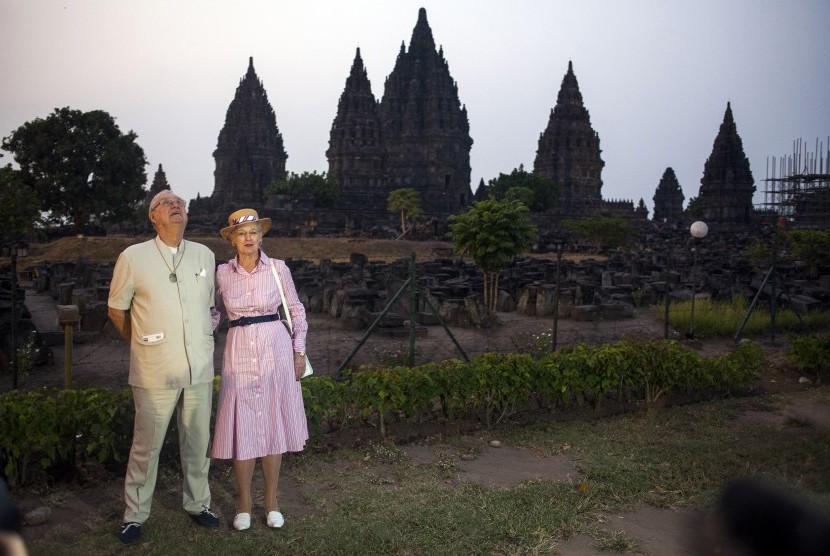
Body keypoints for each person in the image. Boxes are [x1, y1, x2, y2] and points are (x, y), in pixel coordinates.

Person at [107, 190, 220, 544]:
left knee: (198, 441)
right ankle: (135, 514)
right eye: (167, 203)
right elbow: (116, 309)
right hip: (155, 368)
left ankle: (198, 503)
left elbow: (210, 309)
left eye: (180, 204)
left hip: (198, 365)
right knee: (147, 445)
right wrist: (141, 343)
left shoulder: (204, 254)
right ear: (153, 217)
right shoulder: (133, 257)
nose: (176, 207)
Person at [210, 208, 308, 531]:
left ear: (262, 236)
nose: (248, 238)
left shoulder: (279, 269)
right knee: (242, 426)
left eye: (254, 232)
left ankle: (271, 501)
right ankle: (243, 503)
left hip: (275, 348)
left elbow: (295, 311)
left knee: (272, 424)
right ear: (233, 240)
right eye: (242, 234)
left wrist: (298, 351)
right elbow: (215, 314)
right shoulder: (223, 274)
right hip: (238, 350)